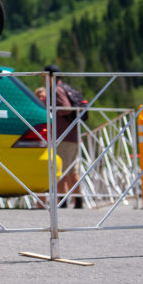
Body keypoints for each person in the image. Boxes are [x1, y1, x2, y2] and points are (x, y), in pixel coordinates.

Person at [44, 65, 83, 208]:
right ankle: (70, 200)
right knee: (67, 169)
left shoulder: (56, 89)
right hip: (69, 135)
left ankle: (71, 201)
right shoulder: (64, 88)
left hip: (64, 136)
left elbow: (66, 108)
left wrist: (50, 111)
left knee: (64, 170)